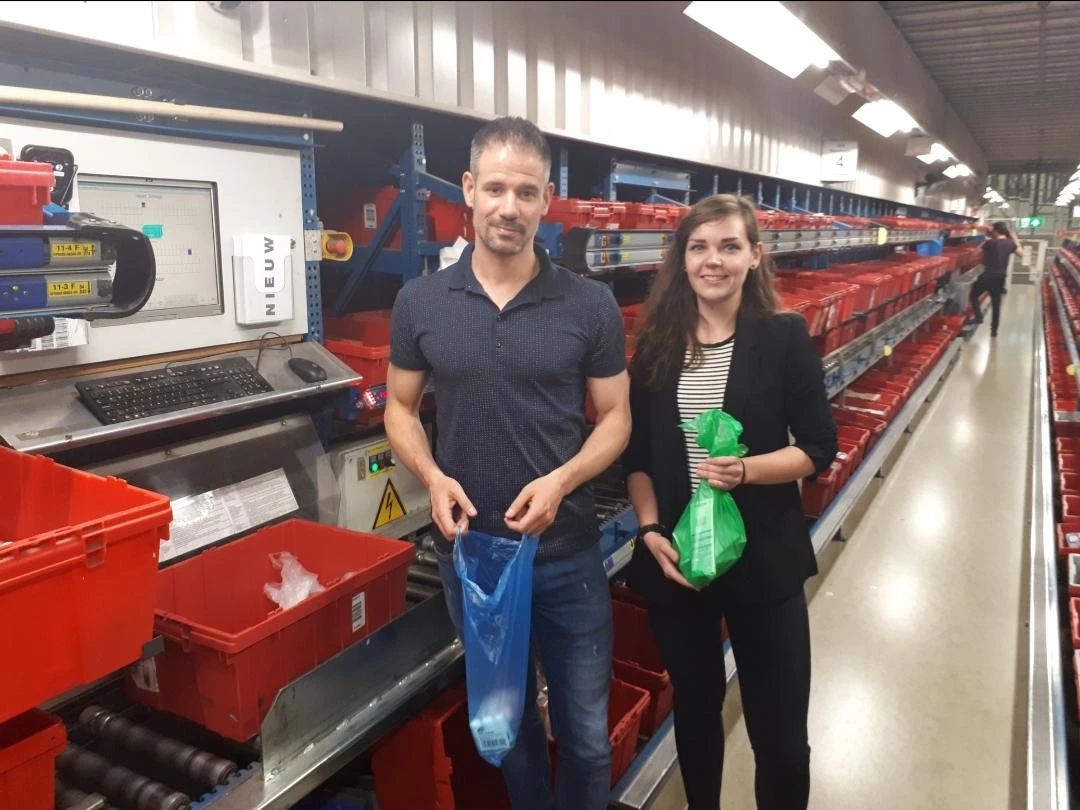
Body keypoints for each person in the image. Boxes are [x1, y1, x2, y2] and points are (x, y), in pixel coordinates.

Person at [385, 116, 631, 810]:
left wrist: (563, 480)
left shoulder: (589, 305)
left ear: (546, 199)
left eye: (526, 192)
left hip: (566, 554)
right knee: (508, 728)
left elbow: (616, 418)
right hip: (473, 560)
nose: (508, 207)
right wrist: (432, 477)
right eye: (495, 189)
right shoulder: (421, 302)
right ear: (468, 189)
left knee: (586, 736)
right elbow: (399, 407)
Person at [622, 194, 838, 810]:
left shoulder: (783, 336)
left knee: (781, 734)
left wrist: (745, 470)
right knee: (694, 712)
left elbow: (818, 448)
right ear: (682, 258)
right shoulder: (657, 345)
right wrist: (650, 529)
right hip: (680, 561)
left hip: (762, 557)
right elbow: (638, 459)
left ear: (754, 256)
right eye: (699, 247)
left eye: (728, 246)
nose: (712, 260)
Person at [970, 221, 1021, 337]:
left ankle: (978, 317)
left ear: (996, 231)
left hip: (987, 276)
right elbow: (1021, 254)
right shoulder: (1010, 244)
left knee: (973, 296)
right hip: (1000, 278)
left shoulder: (989, 243)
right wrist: (1015, 239)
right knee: (996, 304)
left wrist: (983, 243)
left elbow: (974, 255)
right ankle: (994, 331)